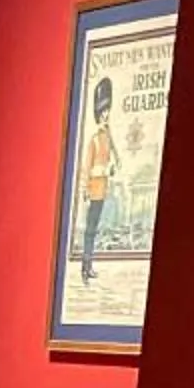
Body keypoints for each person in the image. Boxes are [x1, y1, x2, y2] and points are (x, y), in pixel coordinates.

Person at [79, 74, 116, 281]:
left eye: (107, 112)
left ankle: (89, 265)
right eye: (103, 112)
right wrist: (104, 171)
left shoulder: (107, 138)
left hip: (102, 190)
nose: (106, 115)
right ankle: (85, 265)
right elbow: (88, 168)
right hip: (94, 189)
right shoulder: (94, 140)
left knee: (95, 229)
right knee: (90, 231)